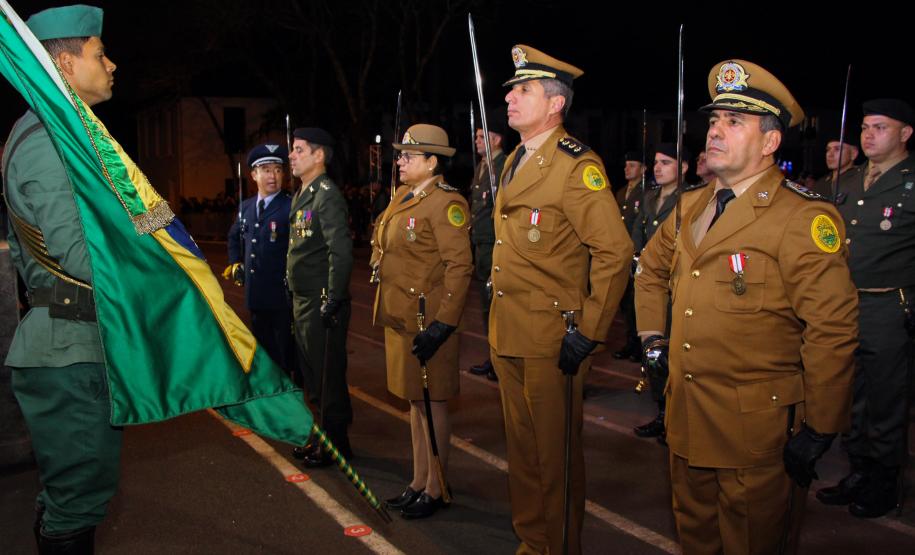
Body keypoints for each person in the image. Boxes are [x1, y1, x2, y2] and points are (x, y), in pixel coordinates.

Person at [635, 59, 859, 554]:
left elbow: (832, 328)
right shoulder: (692, 204)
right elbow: (649, 271)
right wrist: (653, 341)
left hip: (755, 435)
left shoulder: (800, 217)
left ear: (770, 142)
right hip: (687, 418)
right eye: (714, 121)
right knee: (695, 538)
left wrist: (821, 426)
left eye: (734, 122)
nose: (715, 131)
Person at [491, 45, 631, 554]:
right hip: (507, 330)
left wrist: (591, 331)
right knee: (524, 455)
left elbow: (615, 251)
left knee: (555, 458)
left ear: (555, 104)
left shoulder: (576, 166)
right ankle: (532, 542)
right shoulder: (514, 160)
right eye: (510, 88)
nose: (509, 96)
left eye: (522, 89)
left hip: (553, 338)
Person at [2, 5, 119, 551]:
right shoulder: (51, 141)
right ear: (66, 64)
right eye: (100, 54)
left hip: (72, 346)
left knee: (69, 500)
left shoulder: (62, 134)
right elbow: (77, 252)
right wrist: (154, 271)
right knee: (76, 504)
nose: (112, 64)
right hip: (68, 350)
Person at [816, 99, 915, 518]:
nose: (868, 135)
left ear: (905, 133)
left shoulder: (911, 181)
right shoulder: (849, 179)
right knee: (849, 394)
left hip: (889, 306)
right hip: (844, 304)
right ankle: (857, 470)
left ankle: (884, 479)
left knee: (886, 399)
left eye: (879, 127)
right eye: (864, 127)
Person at [371, 124, 472, 519]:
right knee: (415, 404)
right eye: (401, 155)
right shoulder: (403, 197)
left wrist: (444, 323)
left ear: (433, 162)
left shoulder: (446, 203)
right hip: (401, 317)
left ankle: (437, 487)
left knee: (433, 405)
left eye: (409, 156)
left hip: (428, 321)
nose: (400, 161)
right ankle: (418, 480)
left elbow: (459, 266)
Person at [286, 127, 355, 467]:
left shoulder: (325, 194)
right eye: (293, 150)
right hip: (303, 300)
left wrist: (334, 297)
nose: (292, 156)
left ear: (319, 156)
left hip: (320, 300)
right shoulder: (303, 193)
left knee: (327, 377)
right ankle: (321, 435)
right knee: (312, 376)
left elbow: (339, 251)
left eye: (299, 150)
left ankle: (335, 444)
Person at [630, 143, 700, 442]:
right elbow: (639, 234)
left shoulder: (691, 200)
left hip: (679, 287)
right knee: (656, 354)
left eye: (666, 162)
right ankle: (662, 411)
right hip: (653, 285)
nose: (658, 168)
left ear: (683, 168)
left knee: (679, 355)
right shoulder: (650, 197)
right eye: (656, 163)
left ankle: (678, 415)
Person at [224, 143, 293, 371]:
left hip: (282, 297)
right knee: (263, 351)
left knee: (286, 353)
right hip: (255, 295)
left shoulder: (291, 206)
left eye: (277, 169)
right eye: (265, 170)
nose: (272, 176)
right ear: (254, 175)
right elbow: (234, 237)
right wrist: (235, 262)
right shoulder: (246, 207)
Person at [467, 109, 507, 382]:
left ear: (496, 139)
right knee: (486, 305)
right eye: (477, 136)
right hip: (481, 244)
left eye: (482, 136)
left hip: (494, 244)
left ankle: (501, 359)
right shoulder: (482, 168)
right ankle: (494, 356)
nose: (477, 140)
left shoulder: (502, 165)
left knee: (496, 305)